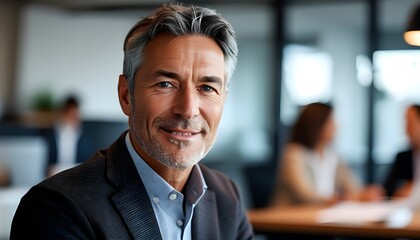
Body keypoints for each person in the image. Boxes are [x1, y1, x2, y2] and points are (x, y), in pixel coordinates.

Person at [10, 3, 254, 239]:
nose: (188, 110)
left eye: (207, 88)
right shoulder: (58, 207)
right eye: (166, 84)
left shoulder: (226, 196)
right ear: (126, 95)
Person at [270, 102, 383, 206]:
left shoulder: (333, 156)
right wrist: (346, 198)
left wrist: (364, 194)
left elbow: (354, 188)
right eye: (330, 122)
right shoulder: (294, 154)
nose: (336, 126)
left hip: (322, 217)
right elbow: (306, 196)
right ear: (316, 124)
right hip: (290, 220)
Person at [384, 104, 420, 198]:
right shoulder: (403, 157)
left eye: (410, 123)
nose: (406, 130)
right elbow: (387, 188)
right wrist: (401, 190)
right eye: (406, 123)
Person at [46, 95, 83, 177]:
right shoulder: (51, 134)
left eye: (74, 116)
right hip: (54, 175)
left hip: (74, 175)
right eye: (69, 115)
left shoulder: (83, 136)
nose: (71, 119)